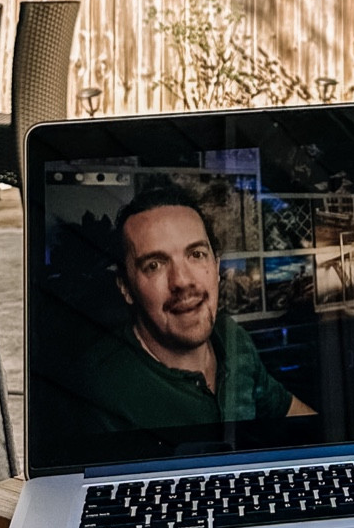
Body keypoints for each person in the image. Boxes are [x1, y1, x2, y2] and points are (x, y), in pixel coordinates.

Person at [76, 184, 312, 432]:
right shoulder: (100, 392)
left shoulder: (231, 337)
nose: (182, 280)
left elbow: (289, 412)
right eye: (154, 265)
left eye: (196, 254)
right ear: (125, 287)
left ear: (216, 266)